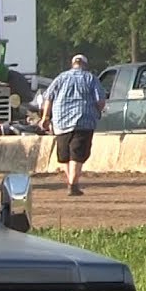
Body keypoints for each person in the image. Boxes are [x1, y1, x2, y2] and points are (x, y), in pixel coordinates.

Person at [40, 53, 106, 196]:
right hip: (84, 120)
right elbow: (100, 100)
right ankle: (73, 184)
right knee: (78, 153)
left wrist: (45, 117)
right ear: (85, 65)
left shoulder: (60, 78)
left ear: (72, 64)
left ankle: (71, 182)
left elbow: (48, 98)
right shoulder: (90, 78)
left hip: (61, 121)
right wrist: (98, 111)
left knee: (64, 154)